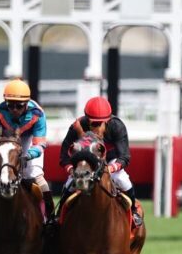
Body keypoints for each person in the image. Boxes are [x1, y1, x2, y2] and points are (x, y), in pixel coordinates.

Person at [0, 79, 53, 225]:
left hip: (28, 141)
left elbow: (40, 143)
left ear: (27, 103)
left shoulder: (38, 114)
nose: (14, 110)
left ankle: (51, 216)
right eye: (10, 105)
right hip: (6, 141)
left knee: (38, 179)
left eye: (19, 106)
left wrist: (28, 156)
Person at [59, 96, 142, 227]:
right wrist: (71, 170)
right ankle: (58, 216)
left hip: (110, 160)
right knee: (70, 183)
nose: (96, 129)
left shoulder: (117, 126)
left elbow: (125, 157)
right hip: (87, 162)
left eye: (100, 124)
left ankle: (134, 211)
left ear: (107, 121)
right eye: (93, 124)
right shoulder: (76, 126)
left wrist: (110, 169)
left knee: (122, 179)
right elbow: (64, 156)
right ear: (87, 120)